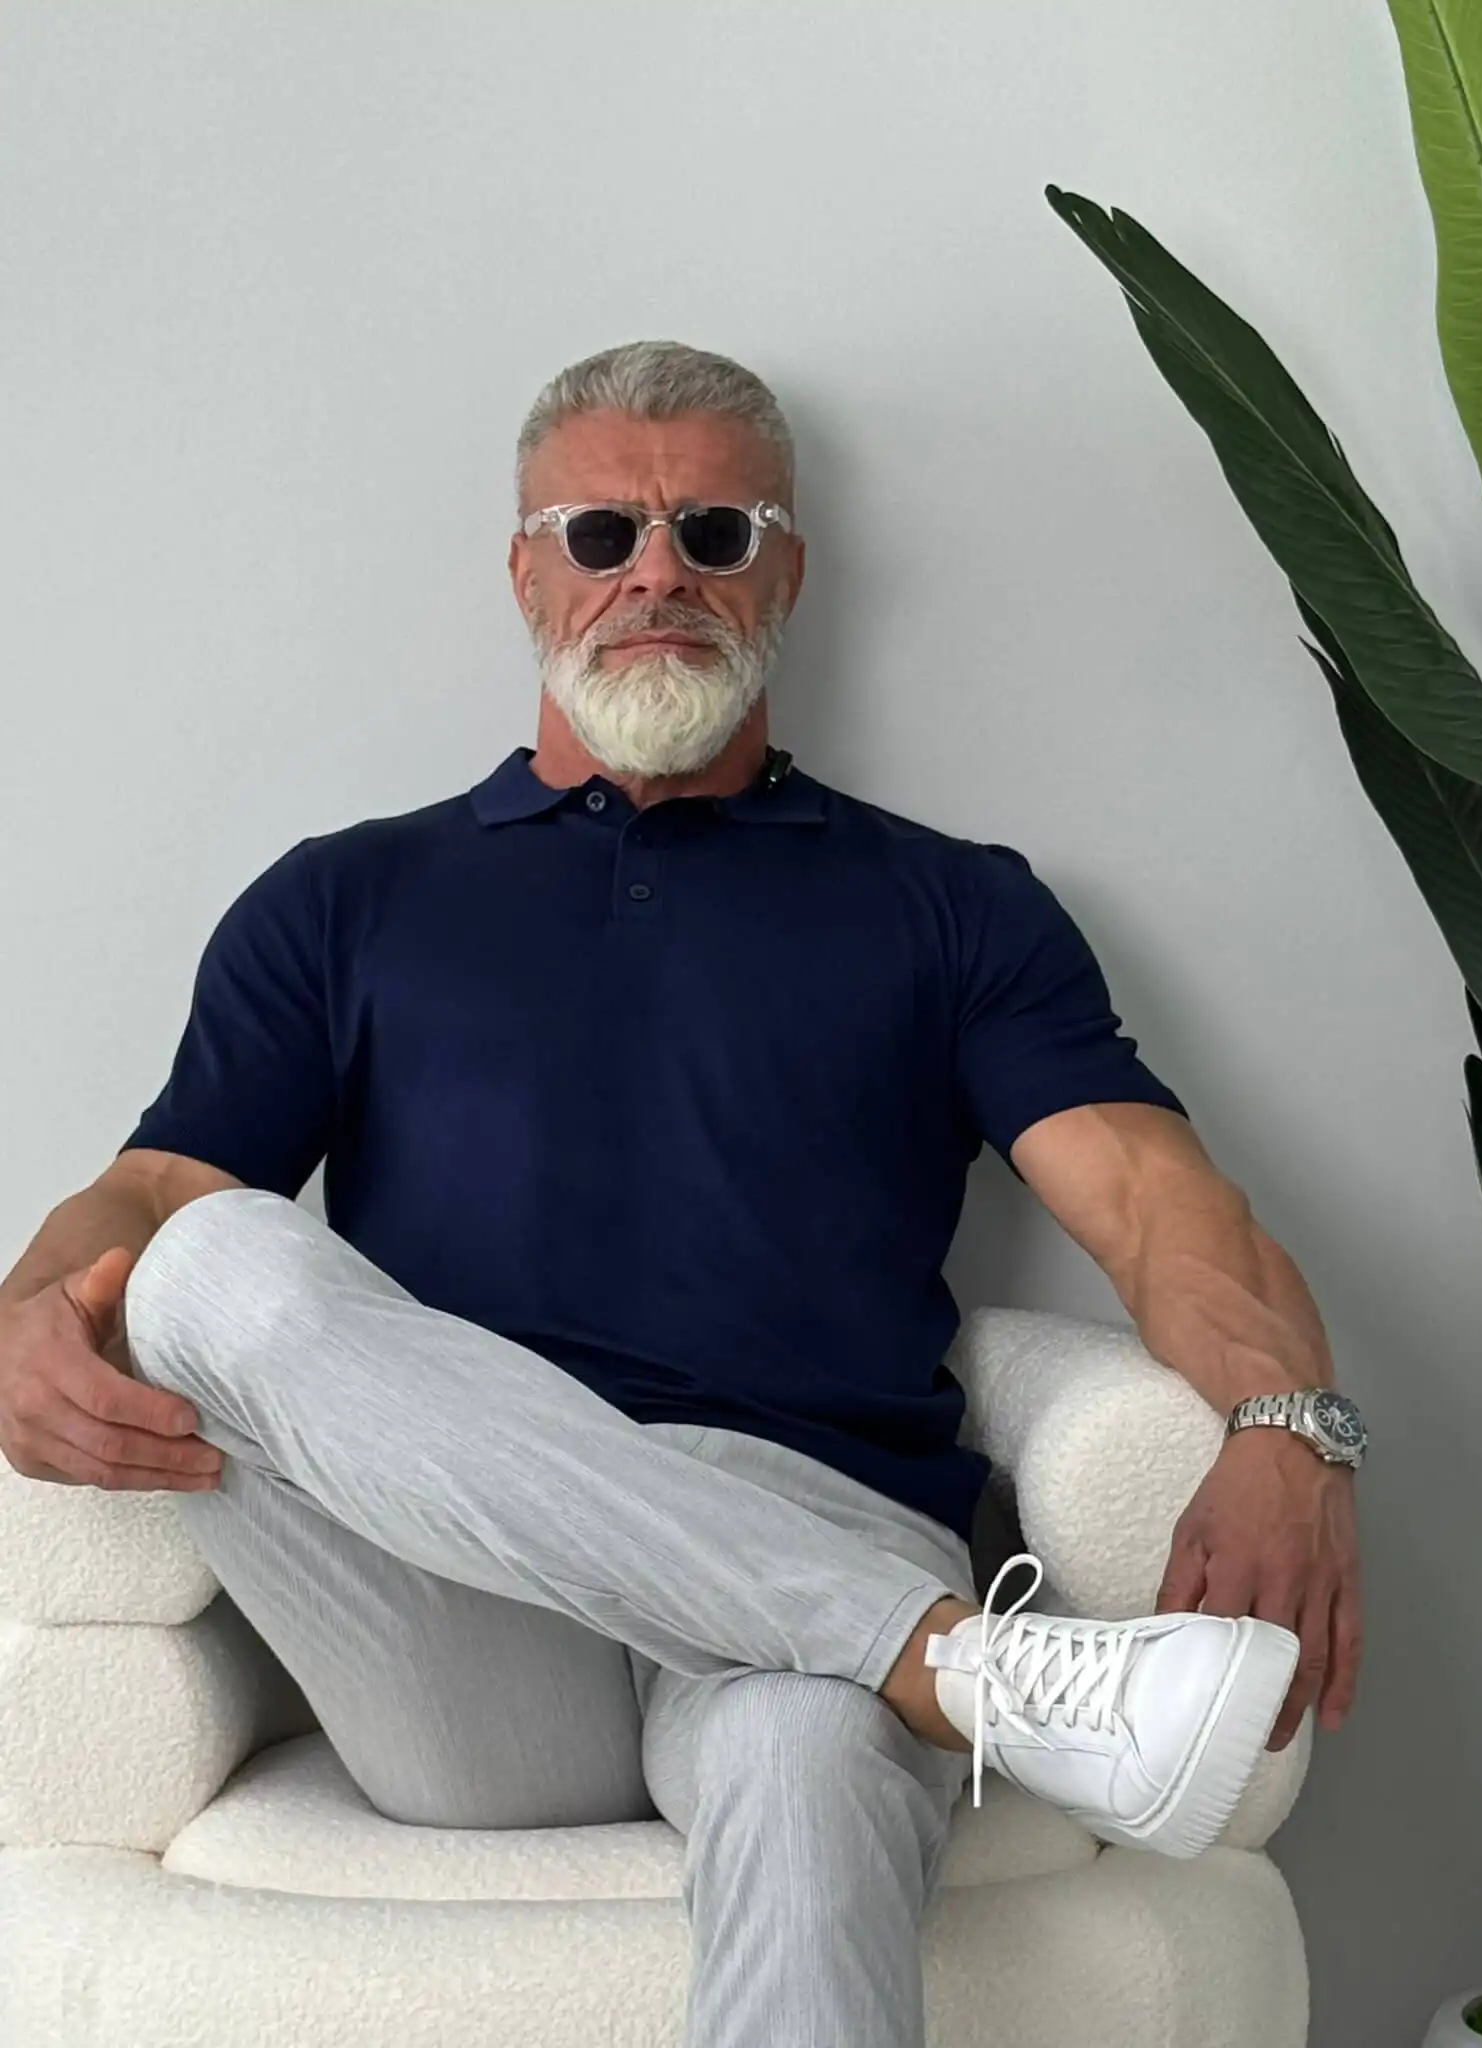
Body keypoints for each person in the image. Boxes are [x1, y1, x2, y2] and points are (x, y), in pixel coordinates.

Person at [0, 340, 1363, 2048]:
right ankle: (959, 1663)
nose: (656, 574)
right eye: (601, 534)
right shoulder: (344, 901)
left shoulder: (951, 906)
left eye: (714, 533)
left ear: (784, 573)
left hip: (806, 1552)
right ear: (525, 573)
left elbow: (1157, 1203)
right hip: (467, 1623)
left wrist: (1289, 1426)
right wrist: (21, 1316)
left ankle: (895, 1652)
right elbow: (150, 1193)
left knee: (805, 1756)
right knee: (201, 1259)